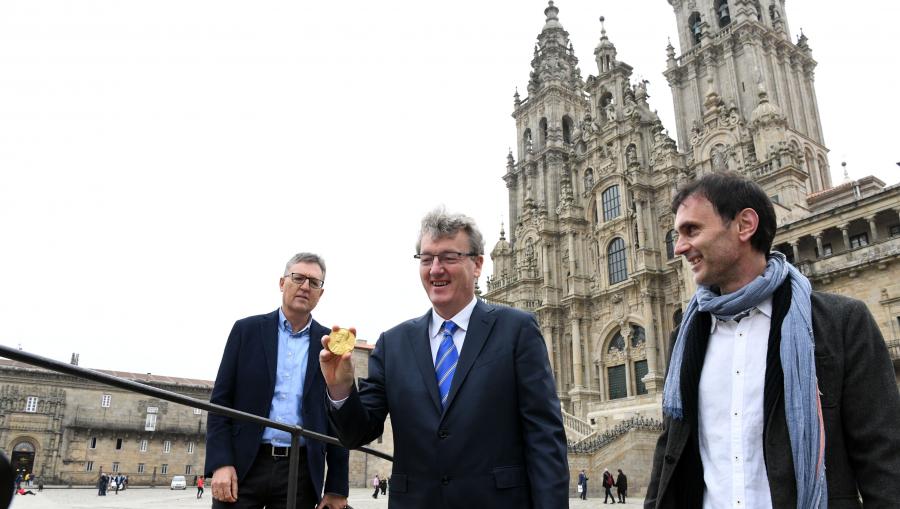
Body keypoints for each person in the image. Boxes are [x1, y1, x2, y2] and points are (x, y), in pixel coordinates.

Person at [644, 172, 900, 508]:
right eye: (676, 234)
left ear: (744, 225)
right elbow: (670, 450)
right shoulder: (685, 337)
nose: (678, 247)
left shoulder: (839, 324)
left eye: (692, 230)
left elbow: (884, 462)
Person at [320, 208, 569, 508]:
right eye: (426, 259)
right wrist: (341, 390)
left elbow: (544, 438)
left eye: (449, 257)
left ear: (477, 264)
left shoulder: (516, 330)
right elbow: (357, 434)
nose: (435, 269)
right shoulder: (393, 343)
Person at [206, 252, 349, 509]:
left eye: (314, 282)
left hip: (302, 472)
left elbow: (340, 417)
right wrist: (220, 463)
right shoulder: (246, 331)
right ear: (282, 283)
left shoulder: (331, 343)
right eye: (298, 278)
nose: (305, 286)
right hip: (243, 466)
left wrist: (337, 487)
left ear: (321, 293)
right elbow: (219, 403)